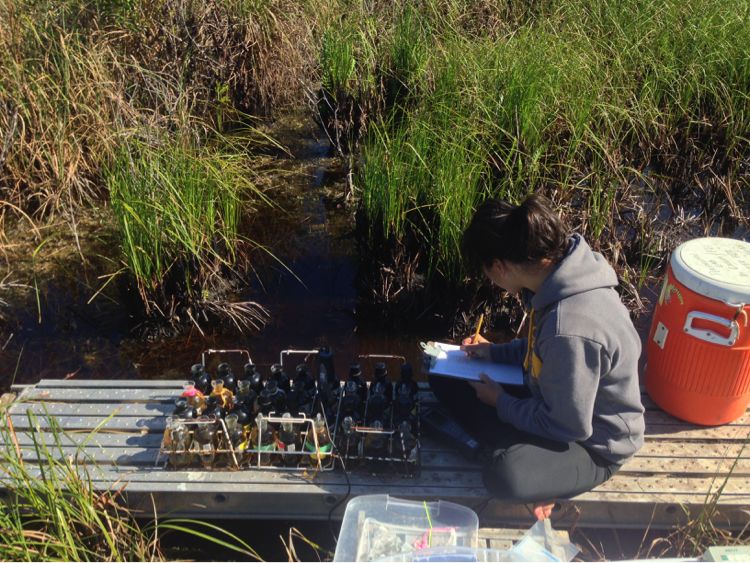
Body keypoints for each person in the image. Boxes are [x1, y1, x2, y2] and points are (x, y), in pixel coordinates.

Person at [428, 193, 645, 520]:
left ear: (499, 267)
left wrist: (501, 403)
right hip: (552, 398)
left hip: (593, 445)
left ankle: (531, 462)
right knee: (441, 374)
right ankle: (524, 448)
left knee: (504, 475)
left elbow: (568, 424)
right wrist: (492, 353)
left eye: (487, 272)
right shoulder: (561, 278)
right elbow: (540, 353)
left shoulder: (569, 328)